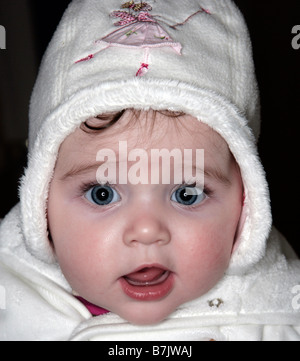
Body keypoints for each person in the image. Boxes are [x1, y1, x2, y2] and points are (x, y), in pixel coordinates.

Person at [0, 0, 299, 341]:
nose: (146, 231)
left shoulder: (276, 320)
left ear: (246, 207)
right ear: (41, 204)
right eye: (103, 194)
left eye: (187, 195)